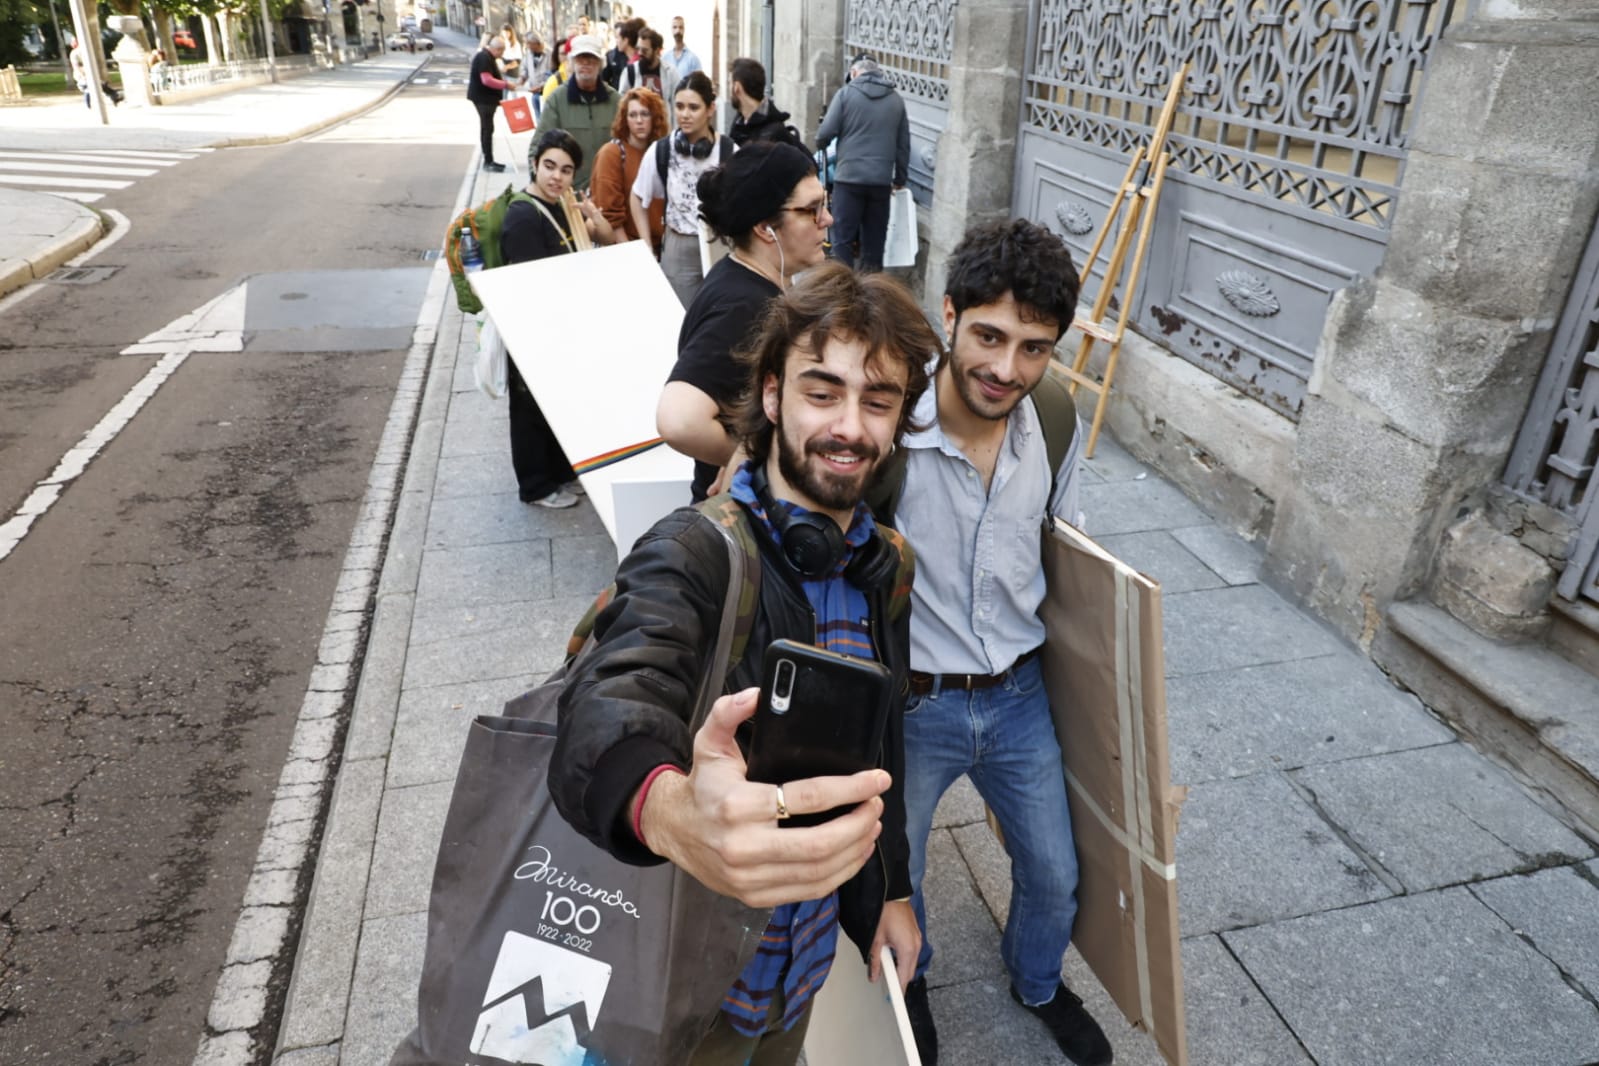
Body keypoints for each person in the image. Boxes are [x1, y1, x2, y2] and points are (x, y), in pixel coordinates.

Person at [550, 262, 939, 1065]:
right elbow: (614, 694)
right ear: (770, 396)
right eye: (821, 391)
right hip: (687, 981)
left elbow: (883, 751)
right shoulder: (695, 550)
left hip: (804, 971)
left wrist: (891, 893)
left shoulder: (885, 564)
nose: (850, 427)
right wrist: (668, 811)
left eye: (878, 400)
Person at [887, 219, 1112, 1066]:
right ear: (948, 314)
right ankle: (911, 988)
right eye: (987, 336)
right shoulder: (889, 428)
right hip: (910, 703)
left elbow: (1069, 550)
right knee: (893, 879)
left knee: (1054, 873)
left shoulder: (1052, 419)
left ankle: (1038, 980)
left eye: (1032, 348)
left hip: (1017, 697)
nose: (1005, 369)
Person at [657, 142, 833, 502]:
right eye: (812, 210)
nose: (827, 219)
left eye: (825, 204)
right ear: (766, 228)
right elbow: (678, 420)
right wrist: (748, 456)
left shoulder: (747, 280)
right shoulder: (746, 305)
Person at [499, 129, 619, 508]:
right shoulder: (522, 214)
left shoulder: (564, 205)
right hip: (533, 325)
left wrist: (593, 216)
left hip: (561, 321)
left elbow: (604, 241)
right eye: (549, 166)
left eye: (566, 170)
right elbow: (530, 281)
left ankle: (563, 472)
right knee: (531, 408)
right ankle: (536, 486)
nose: (557, 176)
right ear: (534, 164)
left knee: (557, 402)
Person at [630, 71, 730, 309]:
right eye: (680, 106)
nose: (685, 115)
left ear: (710, 109)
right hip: (678, 247)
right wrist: (646, 246)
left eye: (693, 107)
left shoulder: (729, 150)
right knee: (679, 320)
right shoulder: (661, 150)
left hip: (720, 245)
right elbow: (637, 196)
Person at [815, 55, 910, 272]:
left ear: (855, 73)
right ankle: (871, 294)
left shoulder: (846, 95)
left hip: (848, 179)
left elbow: (825, 133)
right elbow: (903, 145)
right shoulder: (896, 100)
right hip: (880, 182)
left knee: (842, 240)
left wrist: (822, 142)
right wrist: (899, 179)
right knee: (874, 244)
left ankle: (844, 290)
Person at [537, 33, 619, 191]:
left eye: (591, 58)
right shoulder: (557, 99)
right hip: (568, 196)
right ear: (572, 62)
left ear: (600, 63)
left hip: (607, 194)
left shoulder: (616, 101)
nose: (586, 63)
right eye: (581, 58)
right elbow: (538, 147)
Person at [591, 87, 668, 250]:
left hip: (660, 247)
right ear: (624, 119)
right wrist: (632, 253)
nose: (639, 120)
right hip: (625, 249)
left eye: (645, 114)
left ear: (655, 118)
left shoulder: (661, 153)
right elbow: (610, 216)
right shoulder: (612, 153)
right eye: (633, 115)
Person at [727, 57, 803, 149]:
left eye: (729, 83)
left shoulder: (774, 135)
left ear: (736, 87)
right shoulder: (740, 122)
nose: (728, 89)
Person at [466, 37, 509, 172]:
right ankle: (488, 161)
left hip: (485, 99)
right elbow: (487, 80)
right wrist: (506, 85)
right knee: (487, 129)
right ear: (497, 49)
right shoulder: (484, 58)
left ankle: (489, 160)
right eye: (502, 51)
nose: (502, 55)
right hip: (483, 99)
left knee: (488, 128)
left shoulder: (486, 57)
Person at [617, 27, 679, 102]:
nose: (640, 53)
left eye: (644, 50)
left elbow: (676, 102)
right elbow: (622, 103)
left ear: (657, 50)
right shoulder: (629, 72)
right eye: (638, 49)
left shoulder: (670, 72)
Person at [603, 16, 643, 89]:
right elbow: (603, 79)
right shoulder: (612, 56)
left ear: (626, 40)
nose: (616, 41)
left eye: (618, 37)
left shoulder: (641, 58)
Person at [497, 23, 525, 94]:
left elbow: (518, 61)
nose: (506, 34)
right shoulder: (501, 42)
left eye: (507, 32)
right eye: (504, 33)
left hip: (512, 70)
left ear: (511, 33)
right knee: (503, 92)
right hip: (502, 68)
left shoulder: (515, 44)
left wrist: (507, 67)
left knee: (513, 92)